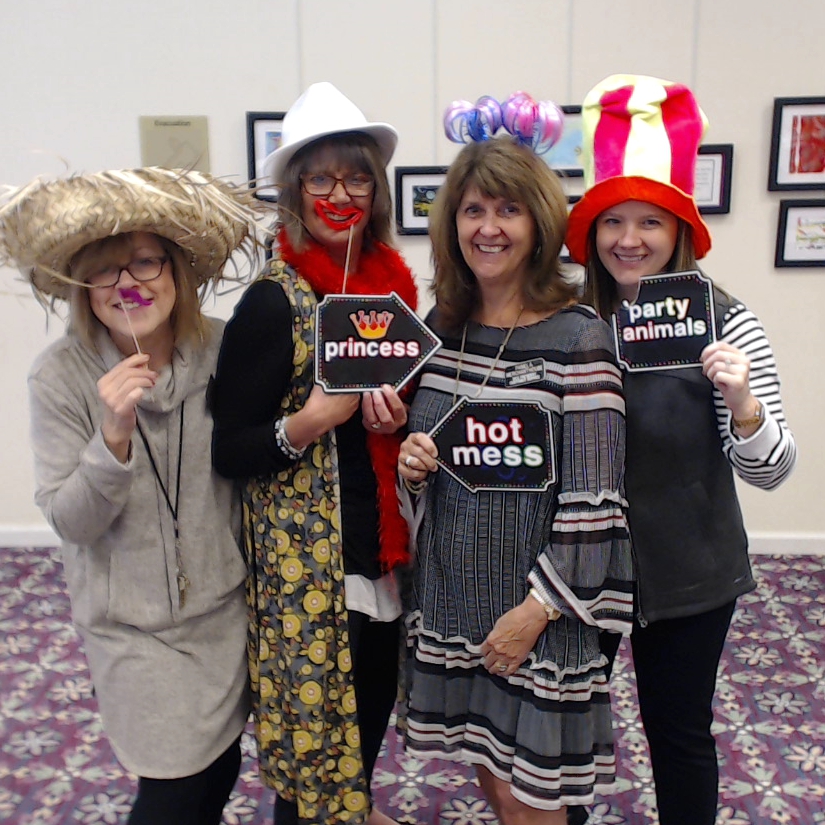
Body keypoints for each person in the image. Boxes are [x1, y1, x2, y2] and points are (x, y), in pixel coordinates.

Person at [565, 74, 797, 825]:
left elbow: (772, 468)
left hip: (689, 570)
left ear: (677, 233)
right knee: (562, 731)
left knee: (678, 732)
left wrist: (741, 399)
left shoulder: (727, 321)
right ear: (592, 236)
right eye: (611, 223)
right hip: (580, 568)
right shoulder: (569, 321)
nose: (627, 240)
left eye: (648, 223)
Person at [0, 167, 265, 825]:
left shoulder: (221, 349)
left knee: (221, 768)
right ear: (82, 290)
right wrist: (111, 438)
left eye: (145, 261)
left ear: (175, 270)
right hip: (130, 628)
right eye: (105, 270)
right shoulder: (60, 376)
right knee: (171, 788)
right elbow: (72, 520)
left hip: (220, 612)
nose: (128, 282)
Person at [397, 94, 634, 825]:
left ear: (537, 225)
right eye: (472, 210)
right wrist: (412, 462)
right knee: (489, 774)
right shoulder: (442, 327)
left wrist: (533, 613)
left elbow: (595, 503)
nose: (488, 227)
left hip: (535, 612)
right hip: (453, 600)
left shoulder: (577, 337)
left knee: (535, 794)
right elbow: (436, 458)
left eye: (506, 210)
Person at [210, 82, 416, 825]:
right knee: (311, 742)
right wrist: (305, 423)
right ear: (295, 190)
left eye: (355, 175)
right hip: (311, 574)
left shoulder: (389, 290)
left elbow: (392, 418)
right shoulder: (272, 300)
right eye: (320, 177)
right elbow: (228, 447)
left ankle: (353, 807)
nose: (340, 193)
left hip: (381, 550)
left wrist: (396, 423)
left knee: (365, 717)